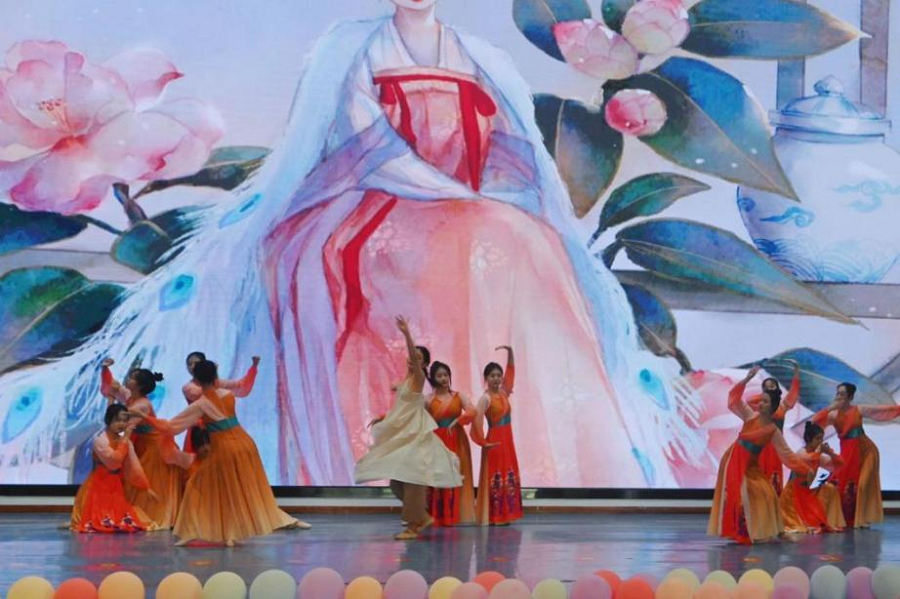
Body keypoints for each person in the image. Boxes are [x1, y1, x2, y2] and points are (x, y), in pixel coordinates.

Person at [0, 0, 704, 490]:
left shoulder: (480, 56)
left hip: (470, 207)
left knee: (526, 240)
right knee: (479, 238)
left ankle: (543, 463)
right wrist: (451, 194)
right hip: (371, 209)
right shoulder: (354, 48)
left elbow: (509, 150)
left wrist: (485, 194)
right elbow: (372, 151)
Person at [142, 359, 310, 546]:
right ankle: (229, 532)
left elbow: (171, 427)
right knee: (241, 488)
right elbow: (230, 395)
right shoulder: (228, 395)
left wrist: (145, 417)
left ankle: (200, 532)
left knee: (201, 486)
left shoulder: (201, 404)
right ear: (215, 376)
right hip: (245, 444)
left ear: (197, 378)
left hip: (225, 448)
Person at [354, 316, 462, 540]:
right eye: (413, 357)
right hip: (406, 434)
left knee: (411, 478)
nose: (413, 360)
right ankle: (421, 515)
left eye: (418, 359)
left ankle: (415, 524)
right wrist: (384, 418)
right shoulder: (407, 380)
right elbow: (405, 407)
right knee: (397, 483)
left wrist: (406, 334)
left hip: (416, 437)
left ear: (424, 364)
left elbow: (414, 360)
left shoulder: (419, 378)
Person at [708, 366, 813, 544]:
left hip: (751, 464)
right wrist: (746, 379)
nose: (760, 403)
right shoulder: (750, 416)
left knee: (769, 493)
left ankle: (776, 531)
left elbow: (787, 454)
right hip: (736, 461)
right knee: (745, 495)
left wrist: (805, 469)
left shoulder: (773, 430)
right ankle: (746, 533)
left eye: (764, 401)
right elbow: (733, 400)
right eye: (761, 400)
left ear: (772, 406)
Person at [101, 360, 193, 530]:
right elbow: (113, 386)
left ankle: (150, 514)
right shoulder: (131, 397)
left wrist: (111, 402)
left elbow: (122, 425)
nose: (128, 379)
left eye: (132, 378)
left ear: (139, 386)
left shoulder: (142, 405)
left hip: (153, 448)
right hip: (141, 443)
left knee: (148, 482)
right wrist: (105, 369)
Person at [811, 383, 900, 528]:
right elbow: (814, 423)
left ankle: (861, 519)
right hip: (848, 453)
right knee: (844, 485)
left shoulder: (858, 410)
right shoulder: (833, 415)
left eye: (842, 394)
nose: (839, 397)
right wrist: (829, 408)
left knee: (863, 485)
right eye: (838, 393)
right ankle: (844, 517)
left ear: (850, 397)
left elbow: (883, 411)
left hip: (867, 451)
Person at [70, 404, 157, 533]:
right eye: (117, 420)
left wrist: (145, 486)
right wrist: (125, 439)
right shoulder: (100, 440)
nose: (121, 424)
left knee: (124, 520)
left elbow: (134, 466)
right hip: (98, 484)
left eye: (124, 421)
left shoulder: (125, 441)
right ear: (108, 420)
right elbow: (114, 461)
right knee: (102, 520)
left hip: (115, 484)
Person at [471, 346, 523, 526]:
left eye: (498, 375)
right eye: (492, 375)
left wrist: (510, 352)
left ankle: (507, 514)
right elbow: (476, 421)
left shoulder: (504, 392)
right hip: (495, 442)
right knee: (496, 476)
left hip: (508, 441)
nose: (496, 378)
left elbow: (511, 373)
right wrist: (482, 442)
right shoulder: (485, 399)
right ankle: (495, 516)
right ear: (486, 379)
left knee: (508, 475)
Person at [426, 361, 476, 526]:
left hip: (456, 439)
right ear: (433, 379)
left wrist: (459, 420)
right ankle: (437, 515)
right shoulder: (428, 400)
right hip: (437, 441)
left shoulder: (458, 396)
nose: (444, 378)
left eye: (446, 375)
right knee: (439, 475)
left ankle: (453, 514)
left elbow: (472, 410)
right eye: (439, 376)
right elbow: (416, 418)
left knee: (455, 474)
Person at [181, 351, 259, 453]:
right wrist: (214, 377)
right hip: (200, 434)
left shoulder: (217, 383)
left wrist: (253, 367)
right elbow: (206, 394)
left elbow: (240, 386)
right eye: (189, 364)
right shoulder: (188, 387)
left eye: (195, 363)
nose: (192, 366)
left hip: (220, 430)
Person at [779, 421, 845, 534]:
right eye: (817, 439)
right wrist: (820, 452)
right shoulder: (801, 453)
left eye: (821, 439)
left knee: (831, 489)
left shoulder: (817, 455)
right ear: (809, 439)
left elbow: (840, 463)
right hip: (795, 492)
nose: (820, 442)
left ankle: (832, 521)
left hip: (809, 490)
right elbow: (808, 459)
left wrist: (830, 453)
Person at [746, 361, 801, 494]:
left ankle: (774, 501)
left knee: (774, 476)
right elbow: (749, 401)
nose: (770, 388)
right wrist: (765, 395)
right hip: (761, 446)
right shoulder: (761, 406)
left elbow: (793, 393)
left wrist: (796, 372)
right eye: (766, 387)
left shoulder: (783, 406)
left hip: (776, 446)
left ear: (777, 388)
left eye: (772, 386)